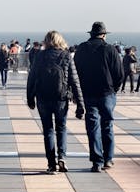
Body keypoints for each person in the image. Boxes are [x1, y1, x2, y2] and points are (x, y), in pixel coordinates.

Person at [27, 31, 84, 174]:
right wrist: (80, 104)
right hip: (61, 98)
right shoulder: (66, 55)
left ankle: (51, 164)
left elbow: (32, 77)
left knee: (48, 130)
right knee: (61, 128)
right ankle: (62, 158)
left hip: (43, 98)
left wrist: (30, 98)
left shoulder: (40, 56)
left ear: (46, 41)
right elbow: (74, 80)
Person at [74, 22, 123, 173]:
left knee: (92, 127)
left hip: (87, 93)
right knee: (107, 125)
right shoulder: (110, 49)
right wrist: (113, 89)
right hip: (106, 93)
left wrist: (78, 92)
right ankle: (108, 159)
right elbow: (119, 74)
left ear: (91, 34)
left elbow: (75, 72)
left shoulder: (81, 49)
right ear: (104, 35)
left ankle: (97, 161)